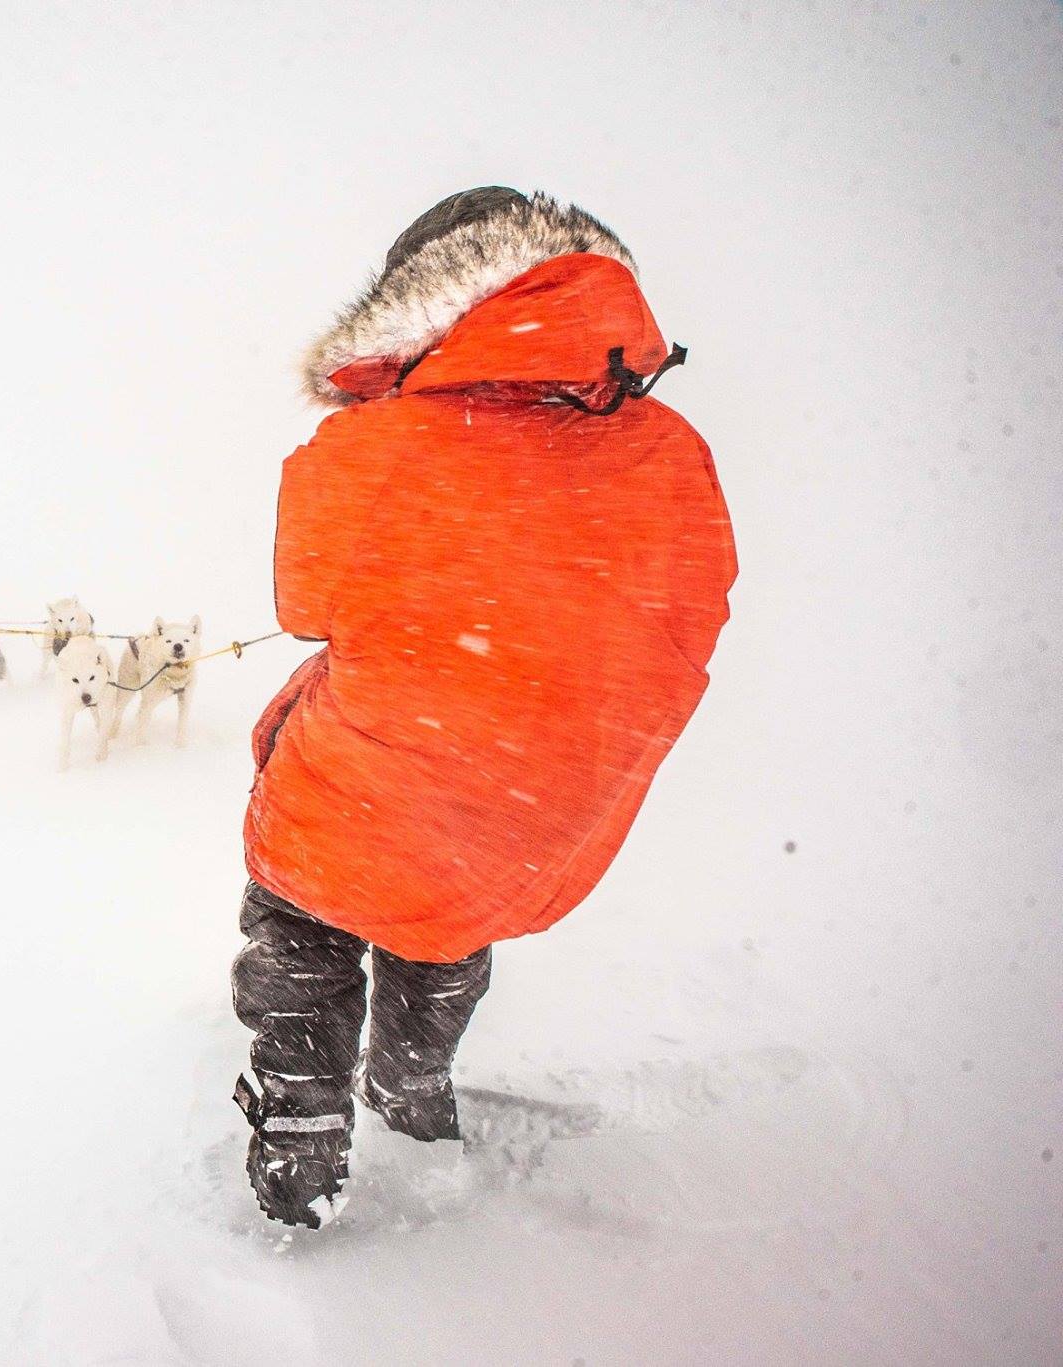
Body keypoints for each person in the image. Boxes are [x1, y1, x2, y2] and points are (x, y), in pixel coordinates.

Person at [234, 188, 738, 1227]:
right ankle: (410, 1087)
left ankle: (298, 1137)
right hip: (516, 809)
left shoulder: (370, 449)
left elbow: (305, 603)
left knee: (305, 918)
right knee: (441, 917)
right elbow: (687, 608)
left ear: (416, 299)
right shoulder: (671, 452)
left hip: (369, 782)